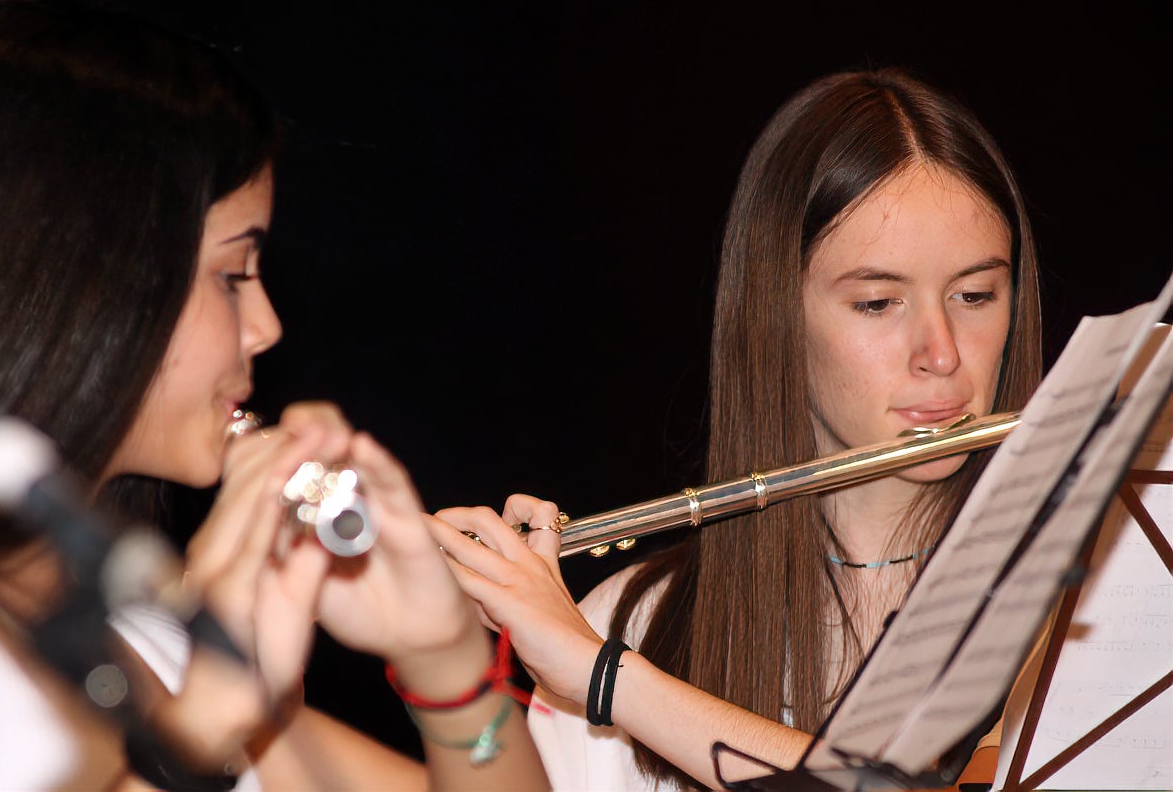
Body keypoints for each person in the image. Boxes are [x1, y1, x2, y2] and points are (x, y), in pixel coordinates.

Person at [0, 0, 548, 791]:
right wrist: (197, 728)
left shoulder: (149, 637)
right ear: (82, 283)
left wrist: (445, 662)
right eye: (232, 274)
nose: (266, 326)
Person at [431, 68, 1044, 789]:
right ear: (777, 317)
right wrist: (441, 655)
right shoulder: (631, 621)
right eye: (878, 303)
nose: (941, 354)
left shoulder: (1088, 601)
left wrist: (606, 677)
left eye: (975, 295)